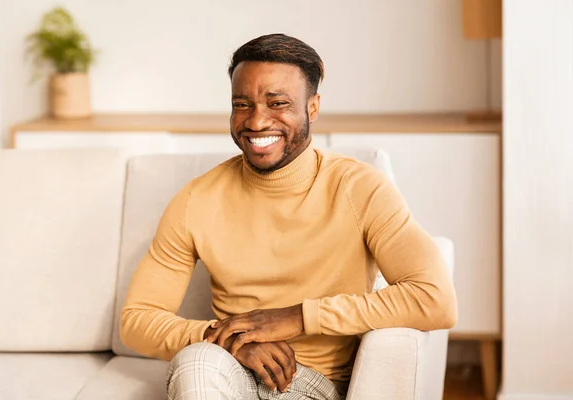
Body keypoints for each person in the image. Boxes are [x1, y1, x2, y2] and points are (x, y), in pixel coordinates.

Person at [120, 33, 457, 400]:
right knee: (197, 360)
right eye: (242, 104)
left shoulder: (359, 188)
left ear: (312, 108)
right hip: (224, 368)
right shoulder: (196, 199)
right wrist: (230, 341)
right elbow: (136, 320)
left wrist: (298, 316)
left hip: (311, 380)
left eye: (277, 103)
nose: (257, 121)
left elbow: (434, 298)